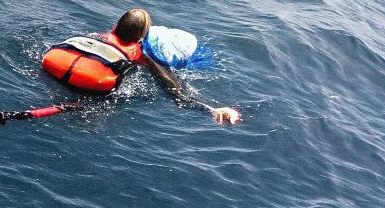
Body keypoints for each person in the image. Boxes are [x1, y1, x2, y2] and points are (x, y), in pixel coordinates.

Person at [41, 8, 242, 124]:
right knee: (100, 116)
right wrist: (211, 109)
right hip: (90, 89)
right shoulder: (140, 56)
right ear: (140, 38)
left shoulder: (94, 36)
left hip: (50, 70)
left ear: (115, 26)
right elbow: (176, 93)